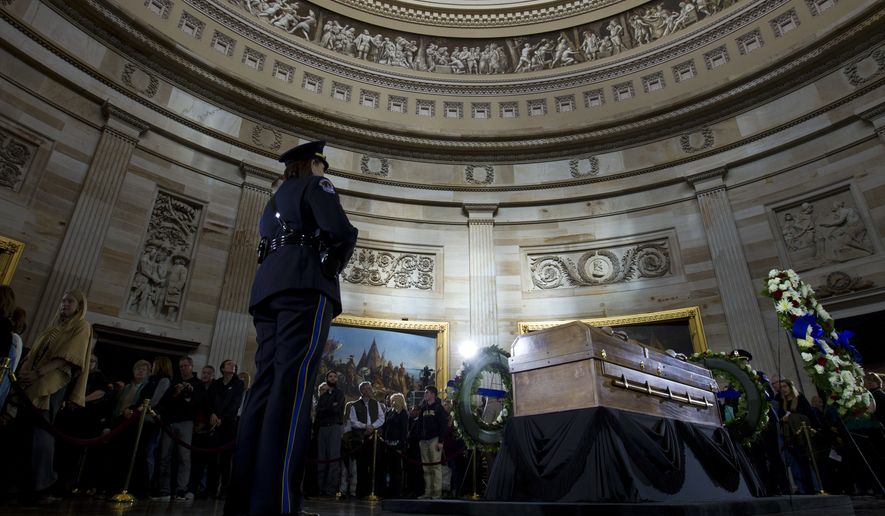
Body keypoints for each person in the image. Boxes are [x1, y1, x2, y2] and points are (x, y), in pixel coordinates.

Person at [225, 140, 358, 516]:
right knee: (293, 390)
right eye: (322, 164)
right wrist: (330, 268)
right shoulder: (317, 187)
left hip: (267, 291)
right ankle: (279, 505)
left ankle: (245, 502)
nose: (325, 171)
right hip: (304, 288)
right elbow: (342, 231)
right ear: (312, 164)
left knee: (263, 391)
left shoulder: (273, 201)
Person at [16, 290, 92, 500]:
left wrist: (38, 372)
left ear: (79, 305)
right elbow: (35, 352)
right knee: (26, 428)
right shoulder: (54, 326)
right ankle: (23, 480)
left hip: (52, 382)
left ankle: (43, 483)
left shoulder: (81, 326)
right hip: (32, 379)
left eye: (70, 301)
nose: (64, 304)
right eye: (63, 300)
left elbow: (70, 357)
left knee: (43, 429)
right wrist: (25, 370)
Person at [314, 370, 345, 498]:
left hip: (334, 427)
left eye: (334, 377)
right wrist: (330, 407)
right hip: (322, 428)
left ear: (336, 380)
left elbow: (336, 409)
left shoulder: (340, 393)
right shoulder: (323, 395)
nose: (332, 378)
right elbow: (319, 411)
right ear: (327, 378)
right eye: (330, 376)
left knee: (333, 460)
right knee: (321, 459)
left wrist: (327, 408)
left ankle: (330, 490)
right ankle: (320, 488)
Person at [417, 385, 449, 500]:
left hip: (435, 439)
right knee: (426, 467)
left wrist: (441, 441)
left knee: (435, 467)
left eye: (427, 392)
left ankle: (437, 493)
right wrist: (420, 438)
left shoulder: (439, 408)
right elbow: (419, 424)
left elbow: (443, 426)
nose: (425, 394)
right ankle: (428, 492)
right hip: (424, 441)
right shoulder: (423, 407)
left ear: (432, 394)